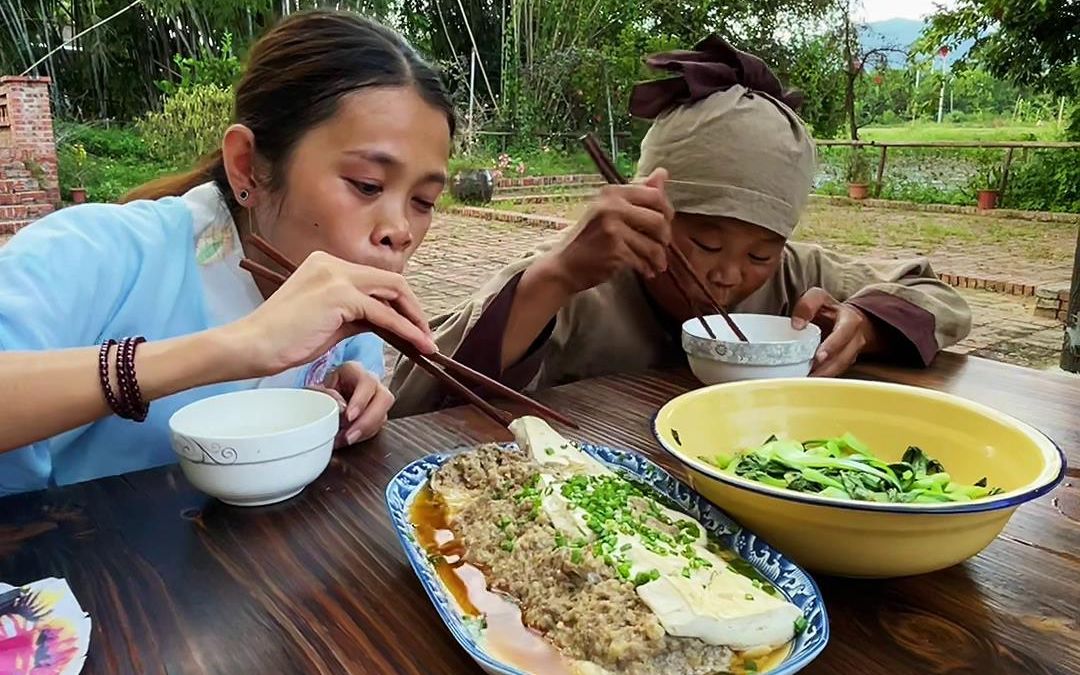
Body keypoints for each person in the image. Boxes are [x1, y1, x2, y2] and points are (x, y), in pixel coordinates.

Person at [390, 36, 971, 416]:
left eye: (760, 254)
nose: (728, 275)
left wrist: (865, 323)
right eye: (706, 241)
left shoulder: (796, 278)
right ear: (651, 207)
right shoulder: (582, 279)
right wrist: (555, 278)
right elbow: (416, 394)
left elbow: (935, 296)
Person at [0, 10, 454, 495]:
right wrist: (237, 346)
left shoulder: (347, 326)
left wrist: (347, 410)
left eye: (423, 201)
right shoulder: (100, 249)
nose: (400, 229)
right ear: (247, 166)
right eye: (367, 184)